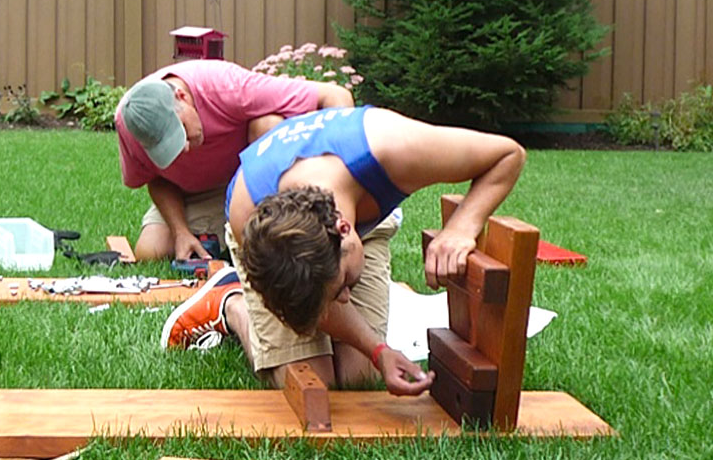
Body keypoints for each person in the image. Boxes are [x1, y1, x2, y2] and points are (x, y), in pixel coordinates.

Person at [160, 105, 526, 397]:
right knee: (312, 384)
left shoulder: (392, 148)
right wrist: (373, 343)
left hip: (366, 209)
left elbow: (508, 154)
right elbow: (314, 297)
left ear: (345, 231)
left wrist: (462, 228)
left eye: (341, 289)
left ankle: (265, 304)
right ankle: (233, 305)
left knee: (358, 379)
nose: (344, 299)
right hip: (269, 242)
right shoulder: (253, 221)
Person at [115, 60, 354, 262]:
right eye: (168, 146)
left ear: (182, 96)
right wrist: (180, 232)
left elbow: (335, 95)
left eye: (182, 131)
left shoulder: (228, 87)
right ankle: (226, 231)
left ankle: (275, 225)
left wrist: (337, 195)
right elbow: (154, 178)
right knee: (149, 251)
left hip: (250, 181)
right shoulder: (132, 123)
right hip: (192, 193)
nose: (184, 148)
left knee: (268, 125)